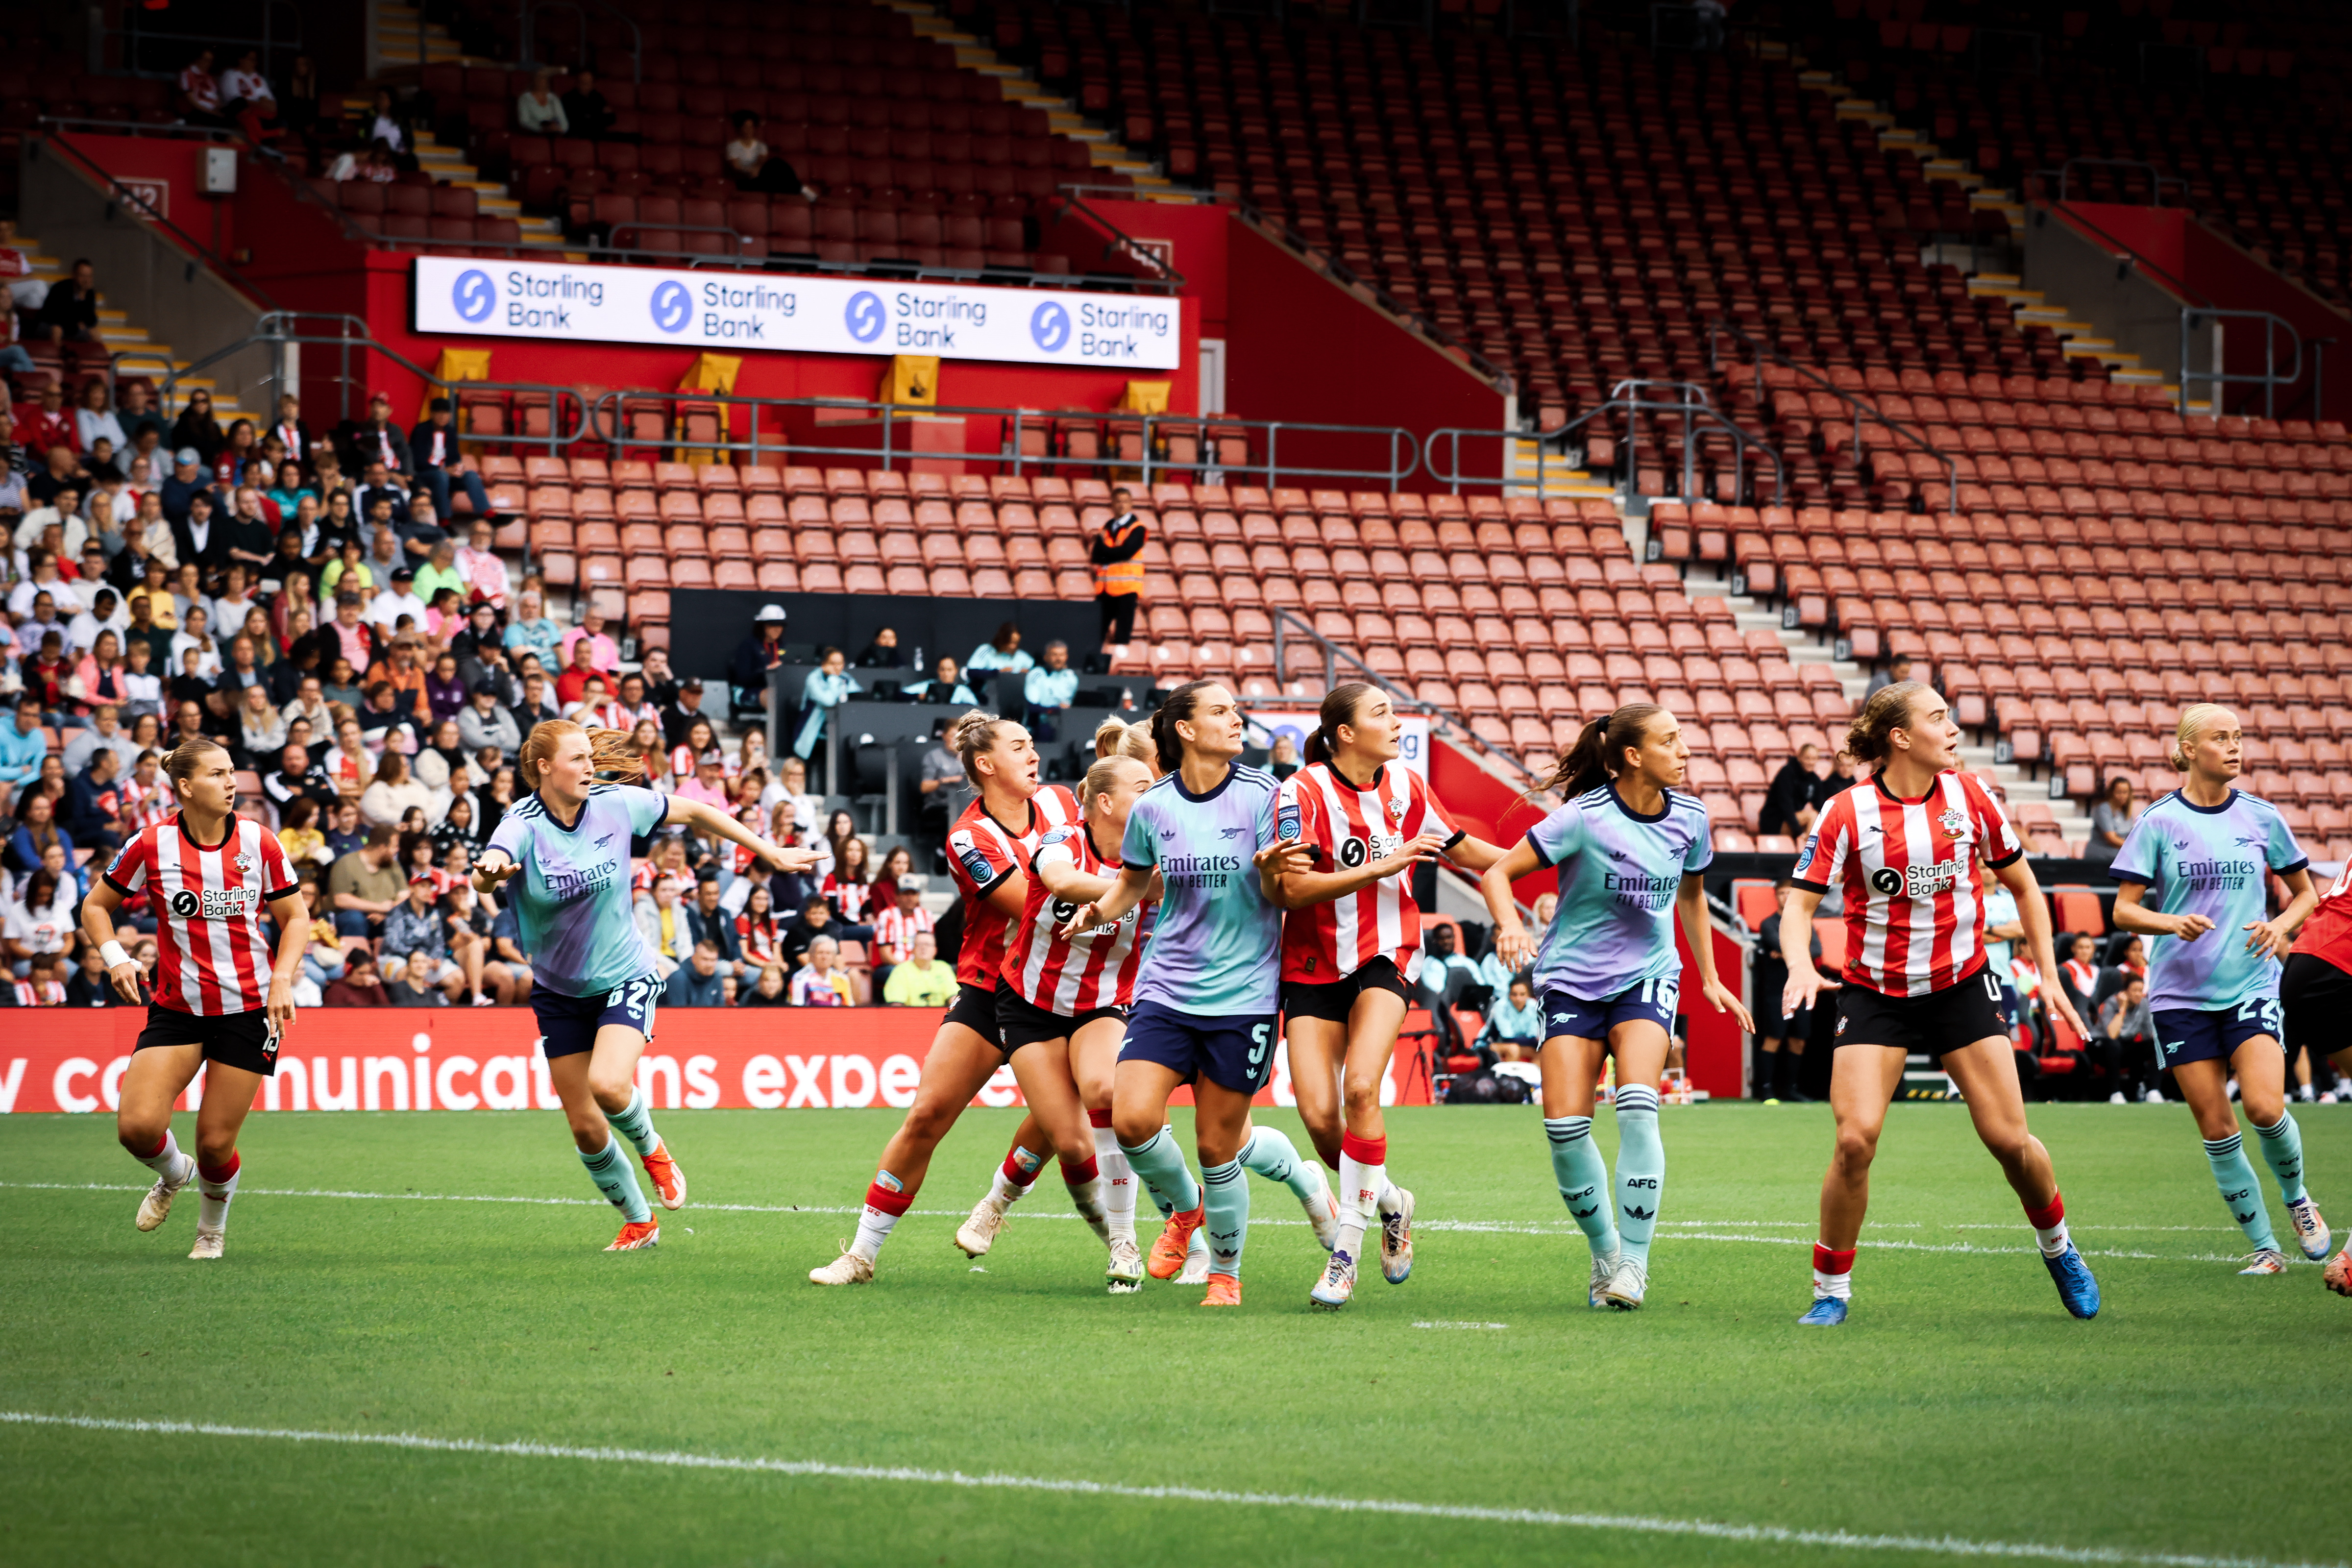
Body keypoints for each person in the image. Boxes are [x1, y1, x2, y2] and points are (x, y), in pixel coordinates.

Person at [1781, 681, 2098, 1325]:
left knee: (2011, 1141)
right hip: (1876, 993)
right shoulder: (1846, 812)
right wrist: (1799, 965)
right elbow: (1799, 906)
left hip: (1961, 984)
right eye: (1939, 718)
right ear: (1900, 738)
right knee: (1854, 1141)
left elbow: (2027, 888)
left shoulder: (1972, 796)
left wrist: (2052, 974)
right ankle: (1830, 1291)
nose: (1953, 730)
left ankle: (2059, 1248)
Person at [475, 720, 817, 1250]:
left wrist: (769, 852)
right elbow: (490, 864)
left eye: (591, 757)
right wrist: (491, 871)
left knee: (609, 1085)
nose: (591, 767)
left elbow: (699, 811)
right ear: (544, 767)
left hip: (626, 974)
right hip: (558, 991)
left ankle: (654, 1149)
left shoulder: (616, 803)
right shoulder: (521, 822)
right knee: (587, 1128)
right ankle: (640, 1220)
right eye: (577, 759)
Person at [1039, 682, 1308, 1309]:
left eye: (1235, 710)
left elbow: (1286, 888)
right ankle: (1185, 1211)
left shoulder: (1270, 796)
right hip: (1167, 987)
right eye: (1220, 711)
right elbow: (1134, 881)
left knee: (1218, 1146)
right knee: (1132, 1119)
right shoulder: (1154, 805)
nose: (1235, 719)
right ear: (1185, 729)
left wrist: (1274, 871)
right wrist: (1096, 911)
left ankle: (1225, 1274)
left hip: (1243, 994)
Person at [1475, 705, 1750, 1312]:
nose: (1685, 750)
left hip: (1648, 979)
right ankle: (1604, 1253)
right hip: (1571, 983)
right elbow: (1498, 873)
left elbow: (1693, 895)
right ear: (1631, 754)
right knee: (1565, 1130)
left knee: (1636, 1106)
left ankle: (1635, 1264)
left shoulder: (1692, 817)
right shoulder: (1583, 818)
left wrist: (1708, 977)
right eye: (1670, 740)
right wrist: (1508, 927)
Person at [808, 711, 1079, 1286]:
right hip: (991, 989)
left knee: (1065, 1120)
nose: (1035, 755)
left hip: (1059, 992)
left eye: (1033, 745)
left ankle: (998, 1204)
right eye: (1020, 746)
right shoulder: (968, 836)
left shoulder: (1061, 802)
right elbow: (1030, 908)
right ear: (986, 765)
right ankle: (860, 1254)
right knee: (927, 1115)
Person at [1267, 682, 1506, 1309]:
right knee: (1321, 1122)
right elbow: (1292, 890)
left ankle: (1344, 1254)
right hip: (1312, 963)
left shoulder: (1408, 786)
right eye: (1382, 713)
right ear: (1345, 732)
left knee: (1361, 1090)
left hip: (1387, 953)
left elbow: (1467, 851)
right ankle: (1394, 1201)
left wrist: (1541, 856)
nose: (1397, 723)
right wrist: (1382, 864)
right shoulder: (1300, 792)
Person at [2108, 703, 2325, 1275]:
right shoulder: (2158, 822)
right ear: (2187, 750)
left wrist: (2280, 926)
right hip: (2179, 996)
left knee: (2263, 1105)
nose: (2234, 747)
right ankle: (2265, 1248)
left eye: (2238, 737)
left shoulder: (2261, 815)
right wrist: (2169, 922)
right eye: (2220, 738)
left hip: (2251, 982)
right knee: (2217, 1126)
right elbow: (2123, 910)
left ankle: (2299, 1199)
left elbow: (2307, 895)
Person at [83, 738, 306, 1261]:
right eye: (217, 774)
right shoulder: (151, 843)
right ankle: (173, 1173)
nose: (232, 783)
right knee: (137, 1128)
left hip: (250, 1010)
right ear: (185, 786)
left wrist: (282, 978)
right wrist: (116, 956)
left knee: (214, 1144)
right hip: (178, 1009)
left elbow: (296, 917)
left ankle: (211, 1231)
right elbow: (96, 905)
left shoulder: (260, 841)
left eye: (232, 773)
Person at [1752, 879, 1826, 1102]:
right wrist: (1795, 952)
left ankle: (1790, 1089)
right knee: (1774, 1038)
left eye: (1789, 893)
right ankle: (1764, 1089)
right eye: (1782, 893)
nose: (1786, 897)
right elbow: (1777, 943)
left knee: (1799, 1040)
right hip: (1777, 991)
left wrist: (1787, 954)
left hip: (1802, 991)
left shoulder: (1805, 923)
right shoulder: (1769, 923)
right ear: (1776, 896)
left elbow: (1817, 949)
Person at [1091, 486, 1146, 646]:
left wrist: (1106, 552)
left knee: (1122, 635)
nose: (1122, 505)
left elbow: (1127, 552)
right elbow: (1095, 556)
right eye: (1118, 502)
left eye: (1126, 502)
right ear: (1112, 504)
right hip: (1105, 589)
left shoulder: (1137, 528)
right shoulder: (1106, 528)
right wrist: (1115, 552)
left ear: (1131, 504)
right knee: (1096, 633)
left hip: (1127, 589)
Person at [2091, 975, 2155, 1104]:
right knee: (2114, 1046)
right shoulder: (2112, 1003)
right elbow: (2112, 1035)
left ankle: (2153, 1091)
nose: (2138, 994)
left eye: (2141, 991)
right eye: (2134, 990)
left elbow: (2149, 1034)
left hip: (2124, 1046)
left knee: (2154, 1046)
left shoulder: (2144, 1005)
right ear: (2125, 992)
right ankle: (2115, 1093)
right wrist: (2122, 1008)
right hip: (2101, 1046)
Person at [792, 645, 858, 762]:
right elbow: (829, 702)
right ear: (824, 664)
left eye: (840, 664)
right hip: (813, 738)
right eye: (833, 664)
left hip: (837, 735)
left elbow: (857, 696)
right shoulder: (813, 679)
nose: (837, 668)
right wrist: (833, 679)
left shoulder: (846, 678)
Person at [724, 111, 809, 196]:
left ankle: (799, 189)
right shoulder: (733, 146)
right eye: (746, 127)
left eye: (751, 127)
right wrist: (749, 171)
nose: (749, 130)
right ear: (740, 128)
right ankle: (800, 189)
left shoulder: (761, 146)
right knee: (776, 184)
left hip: (761, 177)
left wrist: (756, 170)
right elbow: (736, 166)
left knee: (776, 162)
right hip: (744, 179)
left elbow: (762, 161)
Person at [1761, 742, 1828, 840]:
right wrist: (1799, 832)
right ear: (1800, 758)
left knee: (1817, 818)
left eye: (1814, 759)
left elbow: (1820, 807)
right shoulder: (1787, 773)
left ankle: (1808, 849)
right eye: (1807, 758)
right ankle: (1808, 851)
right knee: (1811, 816)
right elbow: (1786, 806)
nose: (1811, 762)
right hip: (1775, 822)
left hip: (1792, 821)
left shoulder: (1815, 780)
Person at [883, 929, 957, 1007]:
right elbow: (896, 1005)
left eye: (928, 944)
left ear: (935, 950)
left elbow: (954, 999)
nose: (924, 948)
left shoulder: (943, 968)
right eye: (919, 944)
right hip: (910, 1017)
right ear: (913, 950)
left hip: (941, 1016)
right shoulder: (901, 970)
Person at [1022, 640, 1078, 742]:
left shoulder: (1071, 677)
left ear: (1067, 657)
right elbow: (1033, 707)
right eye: (1054, 655)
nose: (1058, 659)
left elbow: (1071, 704)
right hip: (1040, 723)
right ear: (1046, 657)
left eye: (1062, 655)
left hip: (1065, 722)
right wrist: (1057, 709)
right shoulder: (1036, 674)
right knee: (1046, 730)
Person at [2086, 775, 2137, 871]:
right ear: (2112, 793)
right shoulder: (2104, 809)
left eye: (2125, 793)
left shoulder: (2127, 814)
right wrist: (2134, 847)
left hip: (2119, 853)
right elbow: (2111, 838)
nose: (2122, 796)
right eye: (2119, 792)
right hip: (2101, 855)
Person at [789, 935, 855, 1005]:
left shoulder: (842, 979)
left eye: (828, 953)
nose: (824, 957)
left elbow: (849, 1006)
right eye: (820, 953)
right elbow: (797, 1008)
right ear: (812, 956)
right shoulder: (800, 979)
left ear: (834, 957)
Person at [966, 622, 1031, 677]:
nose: (1013, 647)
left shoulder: (1021, 655)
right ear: (1002, 639)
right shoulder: (987, 650)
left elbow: (1037, 671)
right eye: (1011, 642)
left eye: (1016, 643)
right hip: (988, 690)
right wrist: (999, 673)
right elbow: (971, 672)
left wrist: (1026, 673)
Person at [516, 67, 567, 135]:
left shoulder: (554, 98)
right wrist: (542, 129)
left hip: (555, 134)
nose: (541, 81)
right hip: (534, 135)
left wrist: (560, 129)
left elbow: (563, 121)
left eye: (544, 78)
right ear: (533, 80)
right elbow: (524, 121)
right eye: (539, 77)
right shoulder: (525, 99)